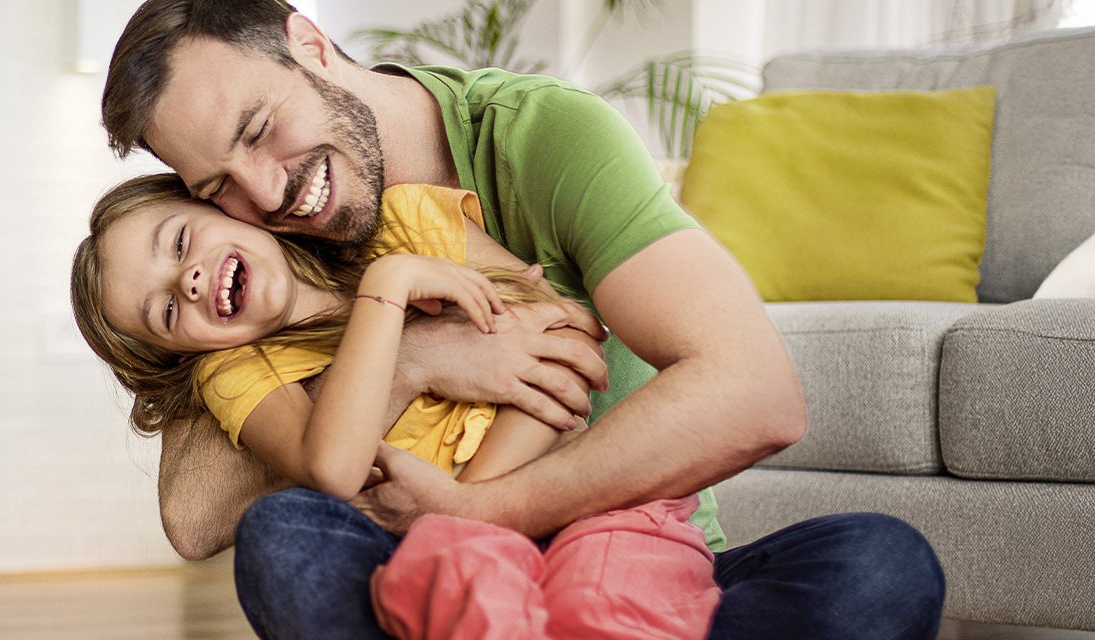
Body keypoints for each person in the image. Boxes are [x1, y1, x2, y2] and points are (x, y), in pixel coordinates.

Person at [99, 1, 948, 638]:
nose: (268, 193)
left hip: (626, 545)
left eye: (261, 129)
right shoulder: (238, 250)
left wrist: (479, 509)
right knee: (285, 539)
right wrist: (414, 360)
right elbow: (196, 518)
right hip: (420, 564)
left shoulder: (534, 140)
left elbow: (756, 396)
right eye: (215, 187)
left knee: (880, 566)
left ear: (311, 44)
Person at [71, 174, 721, 638]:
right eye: (165, 311)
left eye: (180, 242)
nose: (184, 281)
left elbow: (562, 336)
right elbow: (332, 467)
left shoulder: (405, 219)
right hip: (434, 553)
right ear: (178, 352)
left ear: (221, 202)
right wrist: (390, 290)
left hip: (558, 502)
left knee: (614, 603)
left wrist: (473, 502)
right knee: (473, 604)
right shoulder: (238, 371)